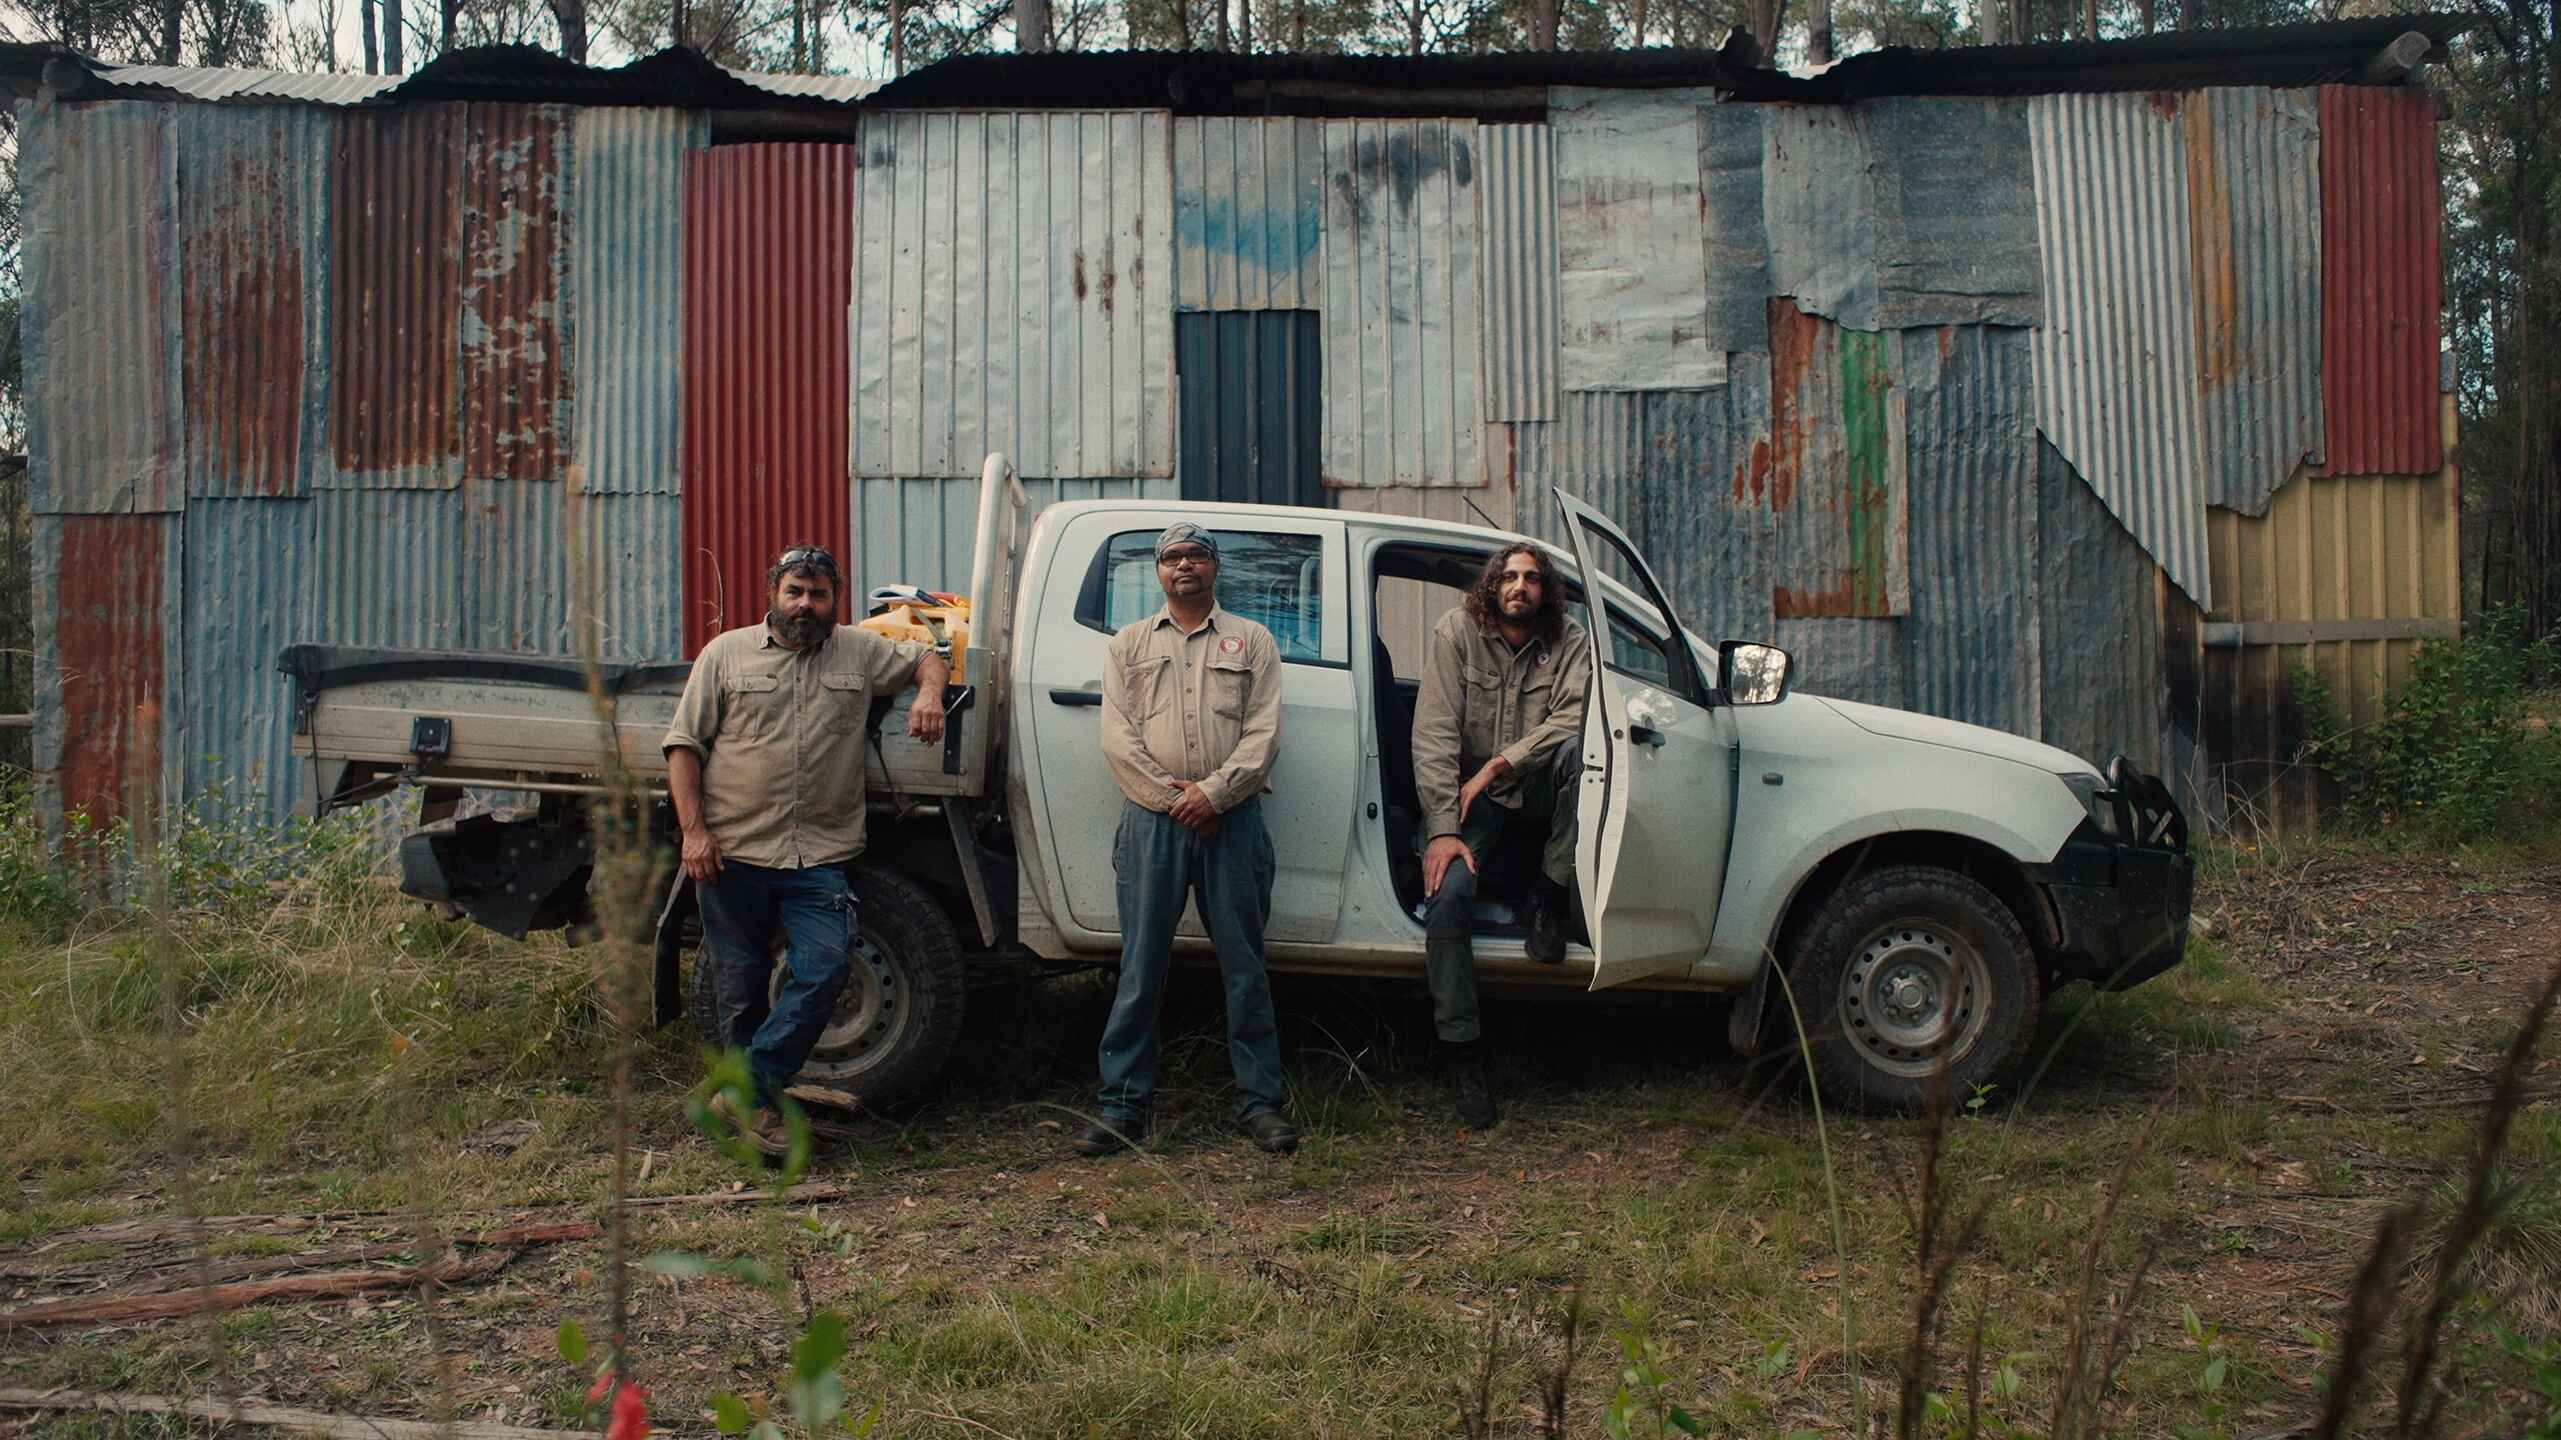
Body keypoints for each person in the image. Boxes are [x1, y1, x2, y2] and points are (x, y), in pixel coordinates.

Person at [663, 544, 950, 1156]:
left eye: (818, 594)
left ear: (834, 600)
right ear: (773, 593)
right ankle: (755, 1111)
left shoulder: (859, 650)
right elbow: (684, 746)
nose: (805, 604)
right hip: (733, 851)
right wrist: (694, 833)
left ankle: (747, 1093)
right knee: (738, 991)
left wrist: (929, 694)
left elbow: (929, 655)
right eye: (795, 591)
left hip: (817, 856)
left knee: (824, 968)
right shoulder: (725, 654)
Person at [1080, 522, 1299, 1158]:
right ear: (1158, 571)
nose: (1185, 566)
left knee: (1244, 970)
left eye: (1196, 555)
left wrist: (1216, 795)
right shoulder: (1127, 645)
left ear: (1214, 568)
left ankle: (1261, 1105)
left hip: (1233, 824)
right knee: (1140, 969)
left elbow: (1264, 736)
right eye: (1172, 557)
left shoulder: (1252, 641)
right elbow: (1117, 738)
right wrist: (1181, 801)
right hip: (1153, 823)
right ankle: (1123, 1107)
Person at [1409, 542, 1591, 1130]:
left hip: (1536, 790)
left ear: (1546, 589)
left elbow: (1572, 719)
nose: (1520, 586)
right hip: (1471, 798)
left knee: (1577, 756)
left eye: (1532, 577)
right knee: (1448, 895)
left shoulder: (1572, 640)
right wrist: (1441, 830)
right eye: (1509, 576)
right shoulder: (1456, 631)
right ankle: (1462, 1051)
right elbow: (1434, 734)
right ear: (1493, 584)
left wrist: (1502, 763)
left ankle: (1549, 890)